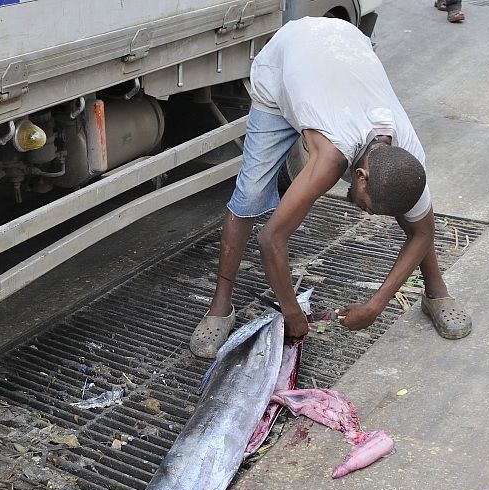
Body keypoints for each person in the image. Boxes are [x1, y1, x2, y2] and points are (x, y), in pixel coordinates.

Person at [189, 16, 471, 358]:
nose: (366, 214)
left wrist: (375, 306)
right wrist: (291, 312)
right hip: (286, 62)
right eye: (368, 207)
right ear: (360, 176)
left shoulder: (408, 159)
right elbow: (271, 238)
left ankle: (435, 291)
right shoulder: (331, 159)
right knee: (250, 194)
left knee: (411, 215)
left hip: (341, 49)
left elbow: (423, 232)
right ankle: (220, 305)